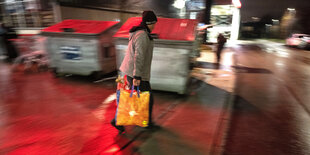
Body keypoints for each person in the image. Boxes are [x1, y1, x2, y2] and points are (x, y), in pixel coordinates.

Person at [111, 10, 158, 133]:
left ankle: (143, 122)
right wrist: (137, 76)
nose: (154, 26)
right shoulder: (142, 35)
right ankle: (143, 122)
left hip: (135, 72)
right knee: (140, 98)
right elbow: (139, 56)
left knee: (135, 98)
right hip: (136, 73)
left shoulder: (142, 33)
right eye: (154, 24)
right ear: (149, 23)